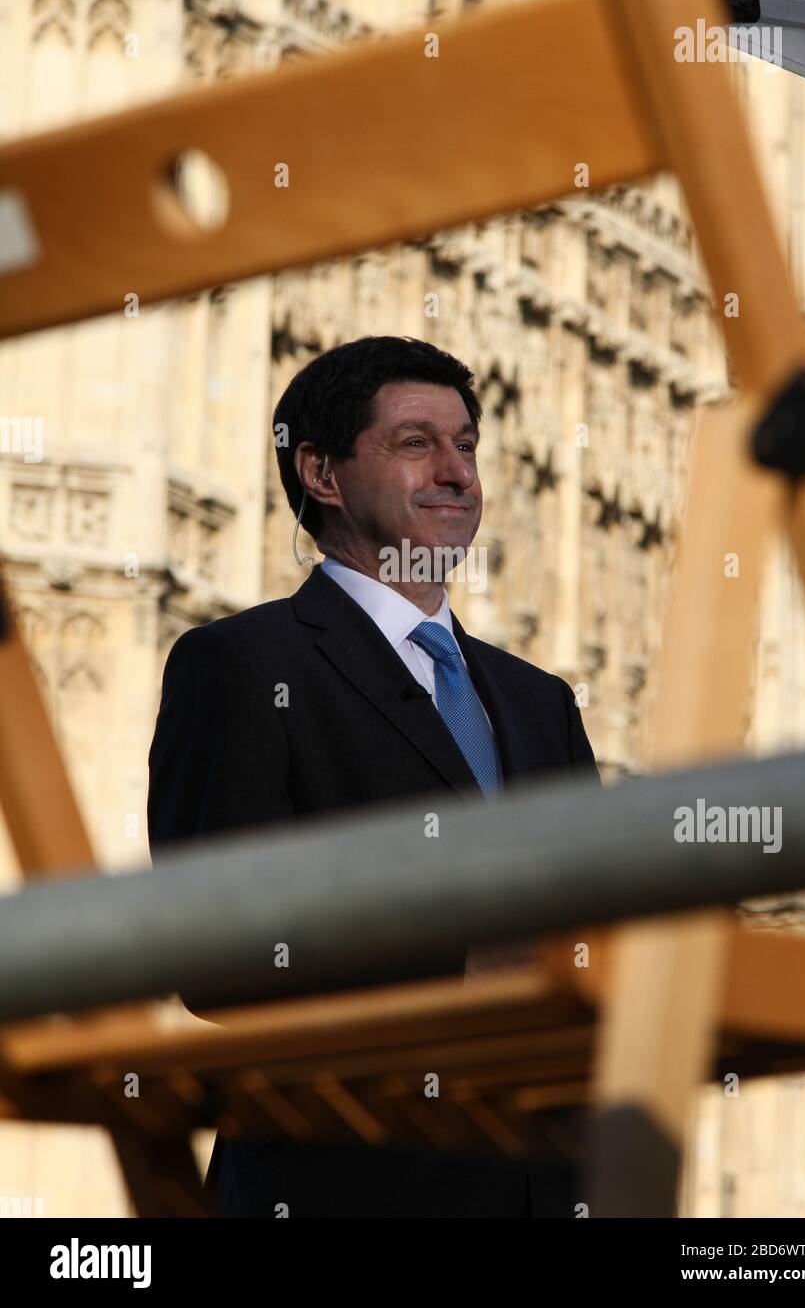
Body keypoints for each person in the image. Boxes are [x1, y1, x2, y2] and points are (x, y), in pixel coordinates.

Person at [148, 334, 599, 1217]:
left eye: (467, 445)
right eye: (415, 443)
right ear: (319, 471)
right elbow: (215, 955)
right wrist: (460, 963)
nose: (457, 473)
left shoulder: (539, 699)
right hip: (345, 1187)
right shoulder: (241, 664)